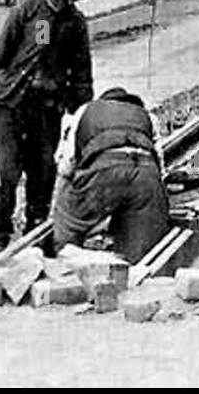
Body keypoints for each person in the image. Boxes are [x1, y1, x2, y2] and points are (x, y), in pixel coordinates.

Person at [0, 0, 94, 250]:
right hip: (10, 105)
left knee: (42, 172)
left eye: (71, 0)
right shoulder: (26, 13)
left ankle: (36, 233)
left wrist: (81, 112)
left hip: (46, 110)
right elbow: (0, 58)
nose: (65, 3)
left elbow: (82, 71)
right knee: (7, 173)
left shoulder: (75, 23)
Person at [52, 87, 170, 263]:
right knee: (142, 249)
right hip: (145, 173)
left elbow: (66, 165)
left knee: (68, 225)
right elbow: (160, 165)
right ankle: (134, 267)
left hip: (105, 169)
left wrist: (65, 205)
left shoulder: (86, 110)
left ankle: (62, 265)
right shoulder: (148, 116)